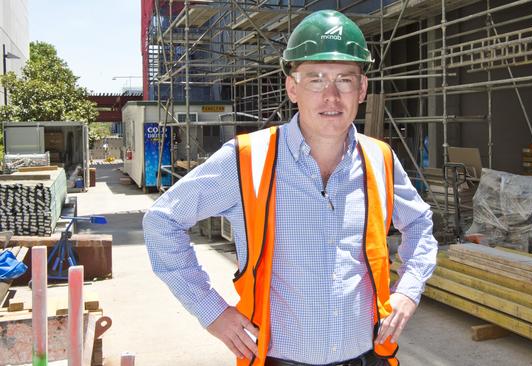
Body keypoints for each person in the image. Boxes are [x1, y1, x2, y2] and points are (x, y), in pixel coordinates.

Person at [143, 9, 437, 366]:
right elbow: (162, 221)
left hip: (367, 357)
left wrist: (408, 291)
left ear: (361, 89)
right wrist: (212, 312)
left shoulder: (380, 160)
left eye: (344, 79)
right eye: (315, 79)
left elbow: (420, 225)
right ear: (292, 87)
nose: (331, 96)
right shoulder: (247, 159)